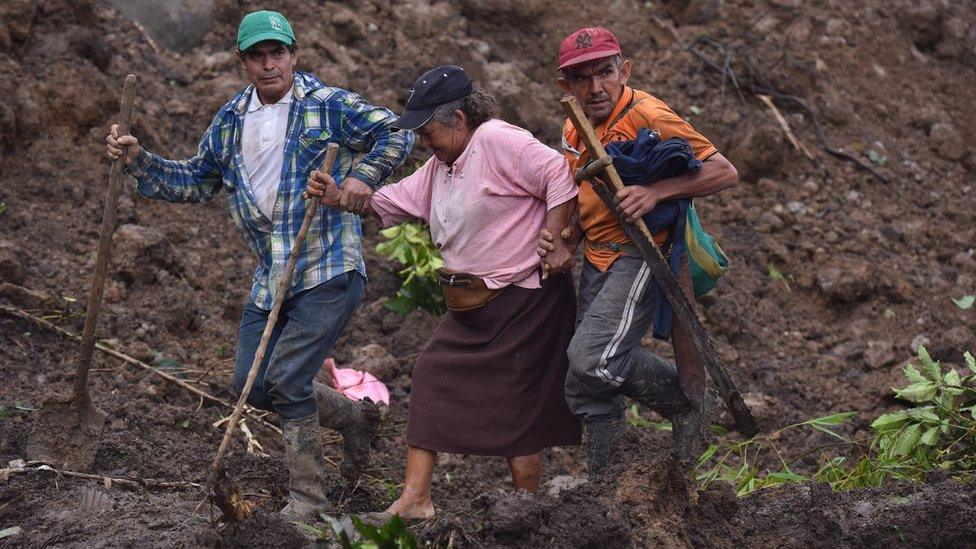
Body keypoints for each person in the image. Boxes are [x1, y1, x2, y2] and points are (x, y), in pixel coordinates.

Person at [105, 10, 413, 519]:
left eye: (277, 53)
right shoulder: (230, 121)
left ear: (293, 55)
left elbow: (394, 132)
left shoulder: (328, 104)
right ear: (243, 62)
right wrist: (140, 159)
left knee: (288, 380)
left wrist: (361, 178)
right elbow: (197, 180)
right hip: (273, 276)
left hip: (328, 265)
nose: (269, 64)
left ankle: (309, 501)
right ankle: (355, 420)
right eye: (257, 56)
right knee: (250, 380)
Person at [306, 65, 582, 521]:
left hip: (524, 298)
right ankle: (416, 500)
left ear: (458, 119)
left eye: (427, 129)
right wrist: (339, 195)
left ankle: (525, 509)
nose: (422, 140)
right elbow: (388, 201)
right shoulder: (442, 166)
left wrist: (553, 239)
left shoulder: (496, 140)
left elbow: (558, 174)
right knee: (433, 373)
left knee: (519, 404)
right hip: (472, 306)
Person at [538, 27, 739, 475]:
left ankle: (684, 404)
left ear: (623, 71)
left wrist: (655, 192)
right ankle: (608, 489)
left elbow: (724, 171)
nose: (596, 88)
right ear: (565, 86)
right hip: (597, 258)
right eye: (582, 78)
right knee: (585, 386)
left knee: (592, 359)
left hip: (643, 253)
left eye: (605, 73)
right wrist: (566, 237)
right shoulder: (575, 125)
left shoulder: (647, 112)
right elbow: (580, 194)